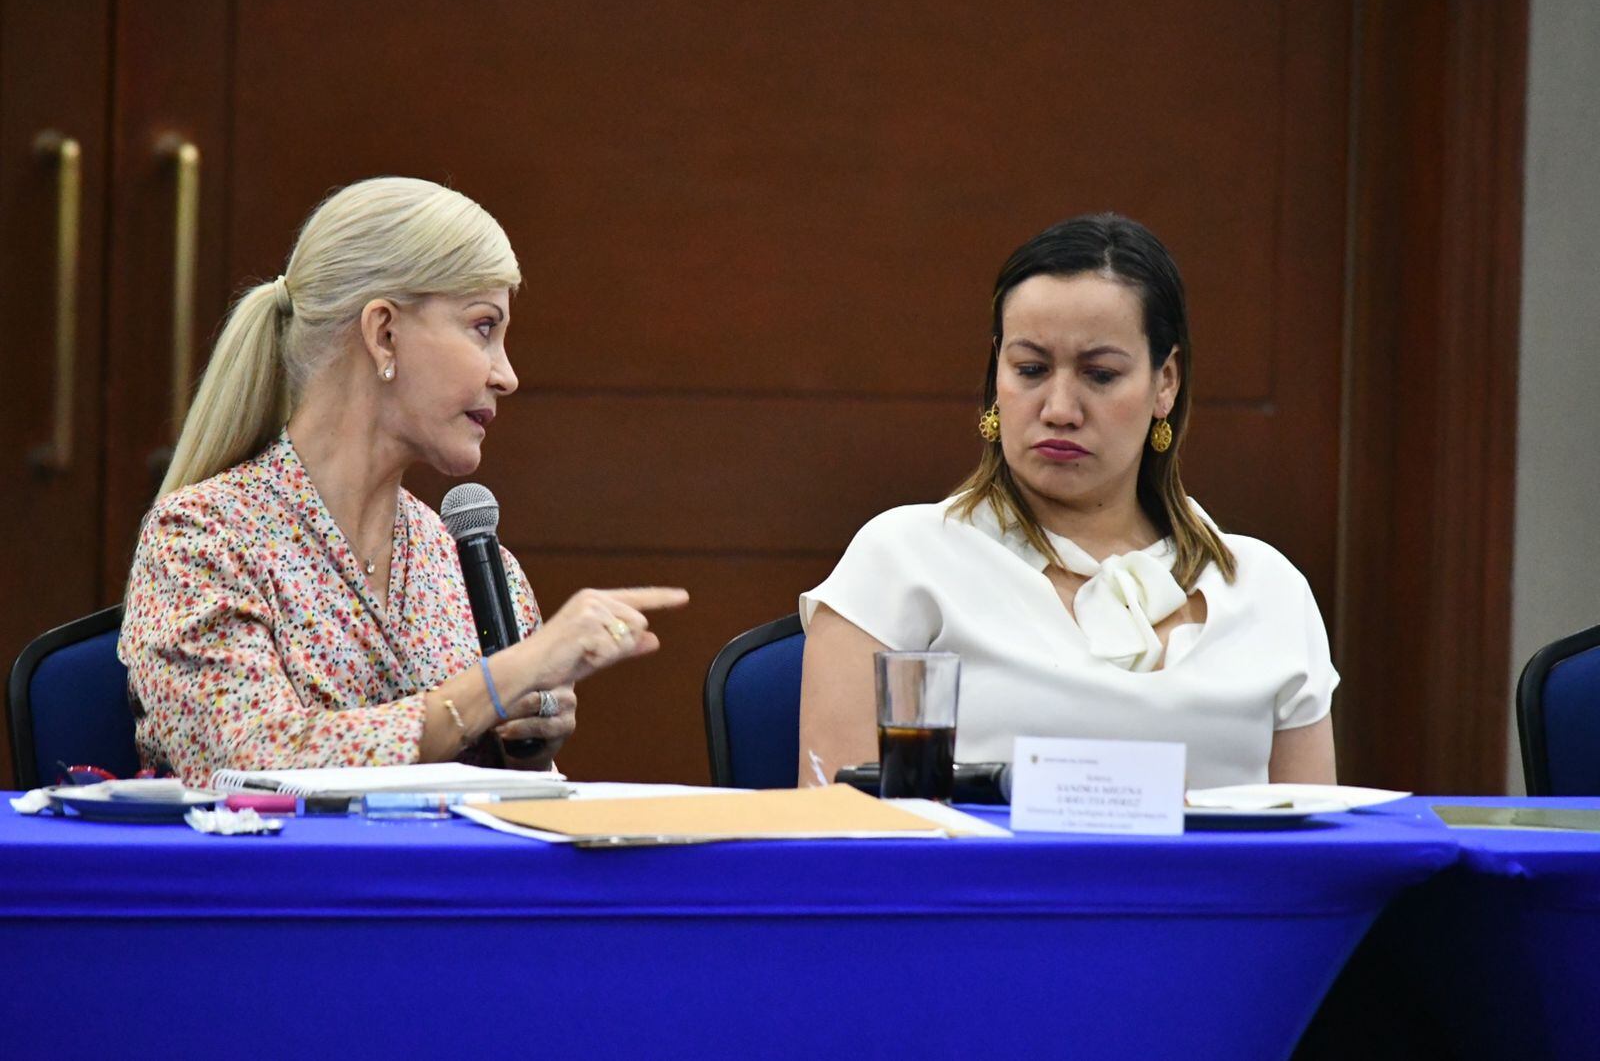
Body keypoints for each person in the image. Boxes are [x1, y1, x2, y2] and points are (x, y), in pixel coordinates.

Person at [119, 177, 687, 784]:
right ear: (384, 331)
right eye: (483, 327)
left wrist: (534, 741)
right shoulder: (200, 539)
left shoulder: (473, 563)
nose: (507, 375)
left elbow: (514, 810)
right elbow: (254, 761)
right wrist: (494, 689)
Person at [798, 214, 1335, 789]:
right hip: (989, 882)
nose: (1059, 408)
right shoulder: (905, 558)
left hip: (1219, 883)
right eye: (1029, 369)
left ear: (1166, 383)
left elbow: (1320, 852)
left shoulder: (1266, 586)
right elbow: (837, 832)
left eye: (1099, 375)